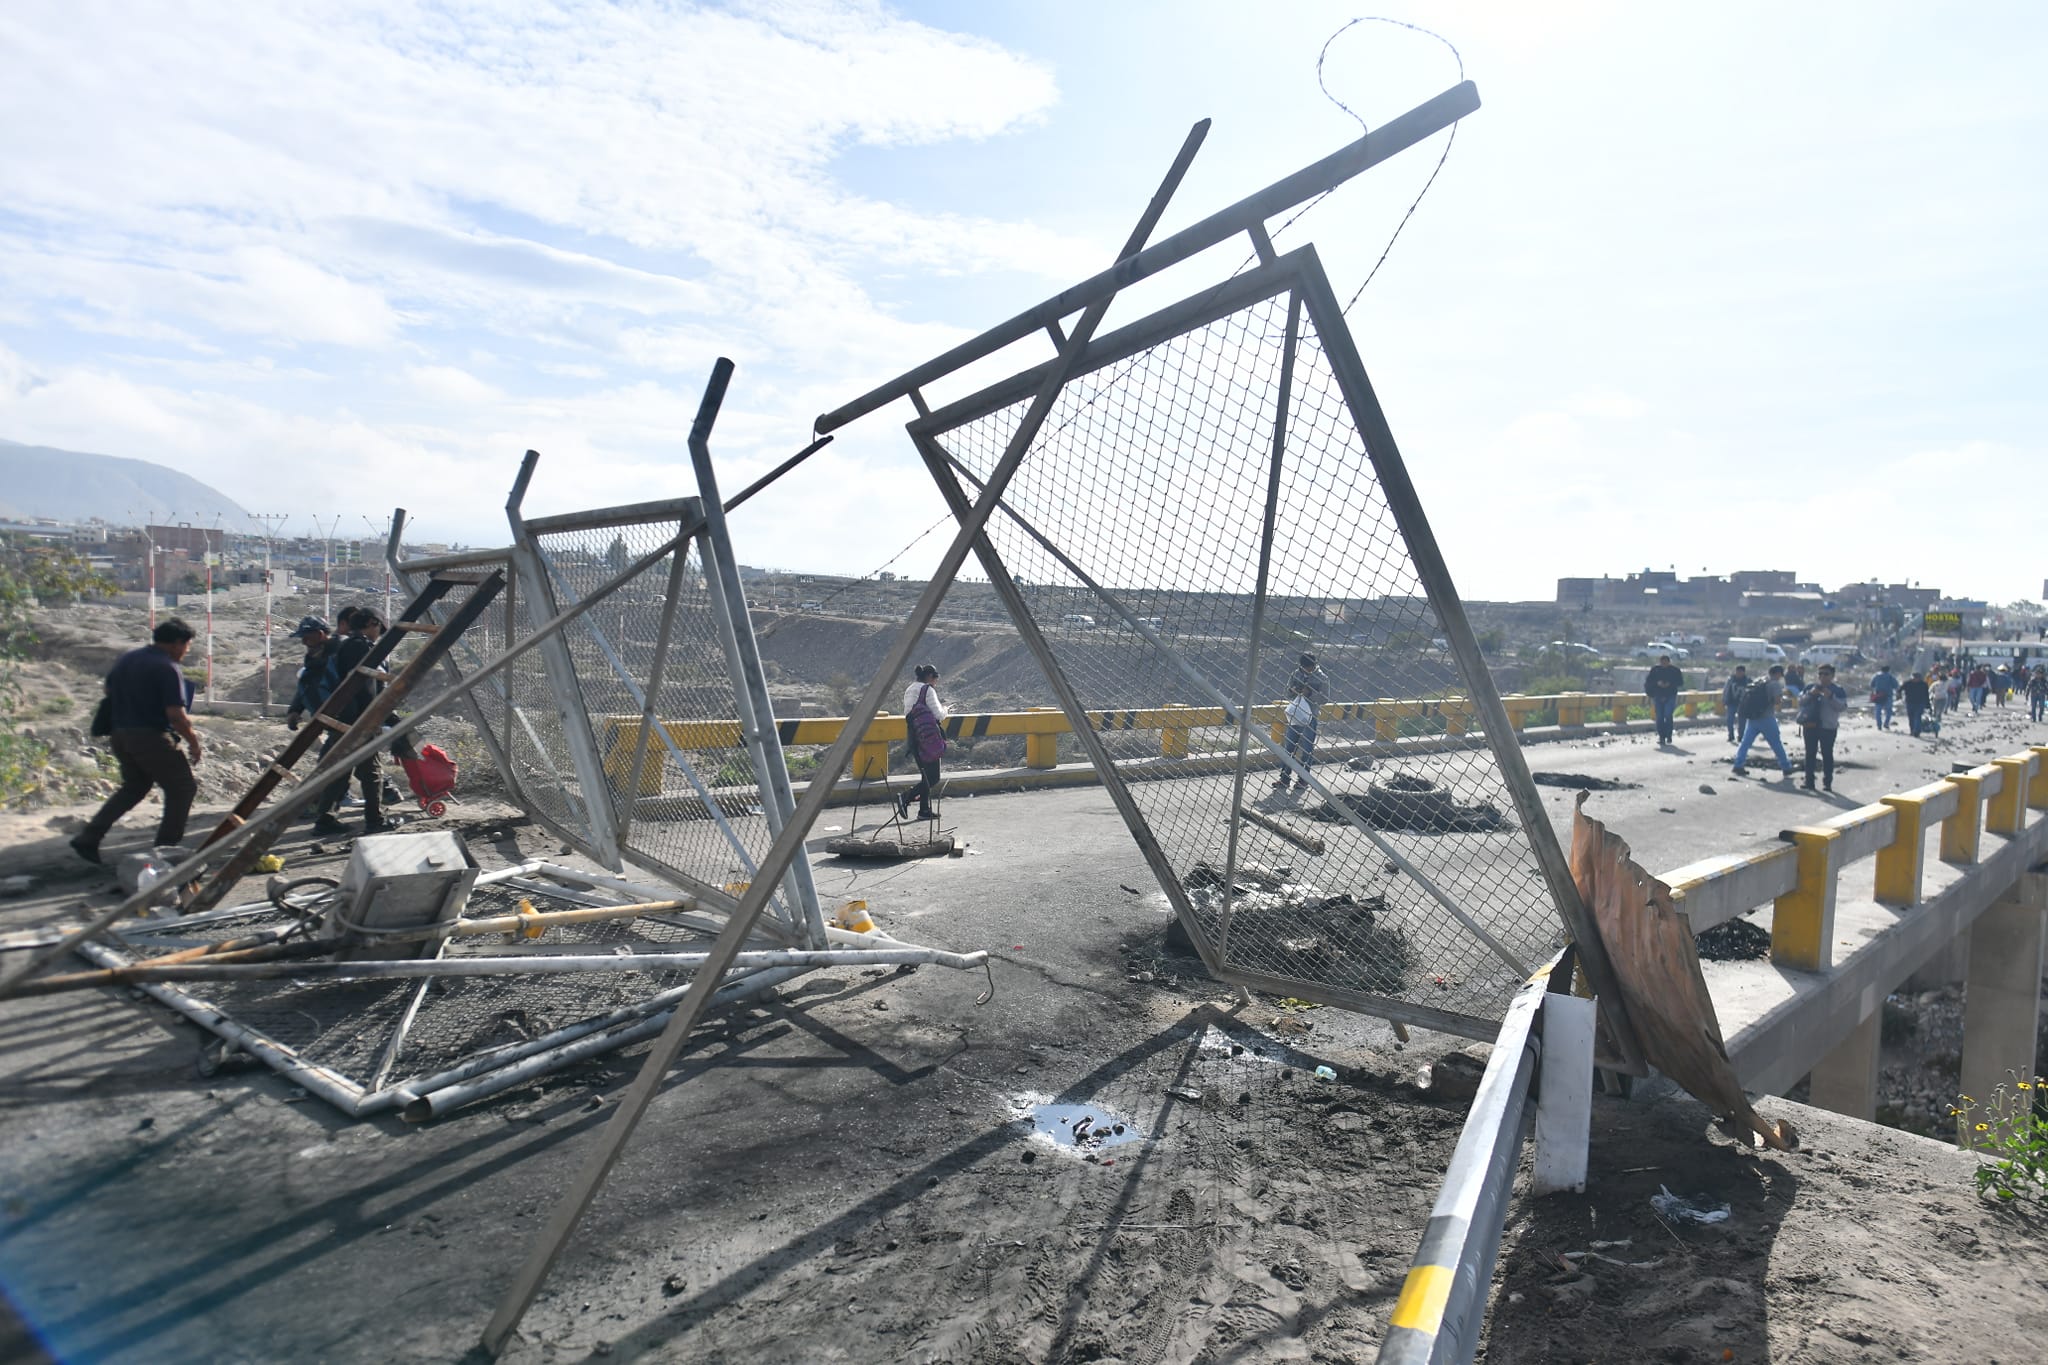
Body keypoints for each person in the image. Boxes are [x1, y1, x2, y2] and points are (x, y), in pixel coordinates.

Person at [71, 619, 203, 862]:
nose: (187, 650)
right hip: (150, 736)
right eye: (187, 645)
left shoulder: (129, 659)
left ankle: (89, 837)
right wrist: (193, 741)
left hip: (120, 734)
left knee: (135, 786)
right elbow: (176, 715)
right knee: (182, 788)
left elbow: (108, 691)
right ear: (177, 643)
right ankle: (164, 852)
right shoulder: (167, 667)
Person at [309, 608, 403, 836]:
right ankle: (375, 820)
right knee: (372, 772)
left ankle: (325, 819)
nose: (378, 635)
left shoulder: (345, 644)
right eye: (378, 629)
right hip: (359, 720)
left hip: (344, 717)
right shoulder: (360, 646)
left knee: (340, 772)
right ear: (372, 623)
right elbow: (366, 688)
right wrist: (383, 715)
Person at [894, 663, 946, 822]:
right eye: (935, 678)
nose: (936, 682)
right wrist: (946, 709)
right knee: (933, 777)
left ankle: (924, 810)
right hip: (929, 740)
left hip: (914, 738)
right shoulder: (927, 689)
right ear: (930, 677)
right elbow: (939, 715)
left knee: (926, 775)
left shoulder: (910, 689)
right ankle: (906, 797)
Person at [1275, 652, 1328, 792]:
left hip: (1310, 717)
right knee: (1289, 748)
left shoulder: (1322, 678)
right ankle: (1284, 778)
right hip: (1295, 716)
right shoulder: (1295, 674)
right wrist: (1294, 690)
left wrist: (1310, 693)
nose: (1307, 670)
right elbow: (1287, 692)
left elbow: (1324, 698)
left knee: (1306, 750)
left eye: (1309, 668)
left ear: (1314, 665)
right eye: (1305, 667)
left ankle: (1303, 780)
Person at [1731, 664, 1794, 780]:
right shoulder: (1775, 684)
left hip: (1753, 718)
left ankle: (1738, 765)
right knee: (1776, 743)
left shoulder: (1759, 681)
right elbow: (1777, 701)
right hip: (1767, 718)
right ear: (1778, 673)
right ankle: (1786, 767)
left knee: (1745, 743)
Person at [1797, 663, 1848, 791]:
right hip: (1810, 725)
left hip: (1828, 727)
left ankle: (1827, 782)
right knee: (1810, 754)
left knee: (1827, 755)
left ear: (1832, 675)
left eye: (1826, 674)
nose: (1822, 677)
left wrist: (1830, 697)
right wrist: (1811, 694)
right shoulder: (1810, 687)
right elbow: (1800, 702)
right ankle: (1809, 781)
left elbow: (1842, 707)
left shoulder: (1837, 690)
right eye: (1820, 674)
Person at [283, 615, 338, 730]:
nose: (303, 642)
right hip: (326, 722)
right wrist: (295, 710)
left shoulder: (337, 657)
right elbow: (307, 684)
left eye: (307, 638)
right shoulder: (313, 659)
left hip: (341, 720)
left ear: (320, 635)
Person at [1644, 654, 1684, 745]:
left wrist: (1670, 684)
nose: (1664, 664)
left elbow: (1680, 682)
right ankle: (1662, 736)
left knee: (1668, 715)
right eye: (1662, 662)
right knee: (1660, 717)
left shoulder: (1675, 671)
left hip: (1670, 696)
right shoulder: (1655, 670)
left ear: (1669, 662)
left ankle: (1669, 735)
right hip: (1658, 696)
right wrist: (1657, 684)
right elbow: (1649, 682)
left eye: (1665, 662)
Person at [1721, 665, 1750, 743]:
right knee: (1729, 720)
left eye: (1740, 672)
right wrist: (1724, 700)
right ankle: (1731, 735)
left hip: (1743, 704)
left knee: (1742, 721)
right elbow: (1726, 690)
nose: (1738, 674)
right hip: (1731, 703)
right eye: (1737, 672)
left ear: (1744, 672)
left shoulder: (1747, 681)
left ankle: (1741, 736)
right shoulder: (1731, 680)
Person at [1868, 663, 1898, 731]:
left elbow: (1871, 685)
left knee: (1878, 711)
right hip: (1888, 696)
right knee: (1888, 711)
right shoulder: (1890, 677)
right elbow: (1896, 685)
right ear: (1888, 670)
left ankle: (1879, 725)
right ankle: (1886, 723)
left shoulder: (1876, 676)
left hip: (1878, 696)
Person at [1901, 670, 1931, 738]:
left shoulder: (1923, 684)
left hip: (1919, 703)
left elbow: (1926, 695)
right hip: (1910, 703)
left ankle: (1916, 731)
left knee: (1917, 716)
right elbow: (1900, 690)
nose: (1915, 679)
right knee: (1912, 717)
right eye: (1914, 678)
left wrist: (1928, 704)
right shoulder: (1908, 683)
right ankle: (1913, 730)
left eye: (1917, 678)